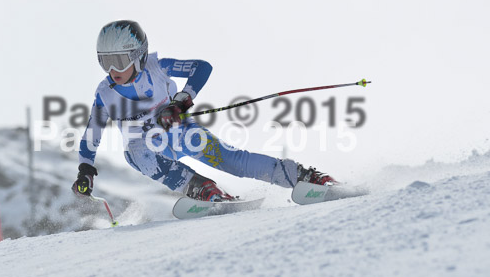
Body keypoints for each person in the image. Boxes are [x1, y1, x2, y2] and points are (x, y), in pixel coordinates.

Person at [72, 20, 335, 202]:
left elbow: (202, 67)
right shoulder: (105, 93)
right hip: (147, 150)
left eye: (118, 61)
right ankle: (202, 189)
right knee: (134, 150)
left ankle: (304, 177)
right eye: (105, 62)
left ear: (138, 55)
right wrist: (85, 170)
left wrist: (180, 102)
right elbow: (92, 133)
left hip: (180, 133)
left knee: (234, 161)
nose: (112, 70)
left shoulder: (157, 67)